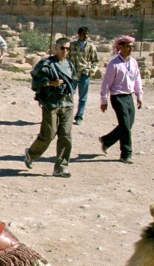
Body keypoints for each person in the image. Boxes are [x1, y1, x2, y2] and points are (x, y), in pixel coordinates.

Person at [23, 38, 77, 177]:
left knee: (66, 135)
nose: (65, 51)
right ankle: (31, 153)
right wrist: (50, 83)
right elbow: (36, 83)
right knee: (49, 134)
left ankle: (61, 167)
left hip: (67, 104)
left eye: (67, 48)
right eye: (62, 48)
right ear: (55, 48)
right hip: (51, 104)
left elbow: (74, 81)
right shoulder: (46, 64)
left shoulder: (70, 64)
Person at [99, 35, 143, 164]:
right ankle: (126, 153)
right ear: (121, 47)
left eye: (131, 47)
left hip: (129, 96)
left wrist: (139, 95)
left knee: (128, 124)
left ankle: (107, 140)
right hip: (117, 97)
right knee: (124, 125)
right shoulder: (114, 64)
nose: (130, 49)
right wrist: (104, 100)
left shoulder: (133, 62)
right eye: (128, 46)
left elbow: (137, 79)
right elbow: (106, 83)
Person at [70, 26, 100, 125]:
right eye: (83, 34)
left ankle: (79, 116)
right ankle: (67, 115)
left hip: (84, 74)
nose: (86, 36)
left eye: (87, 34)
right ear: (78, 35)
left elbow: (95, 61)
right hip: (73, 74)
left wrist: (91, 70)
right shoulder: (72, 45)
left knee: (83, 97)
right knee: (69, 95)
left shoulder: (91, 47)